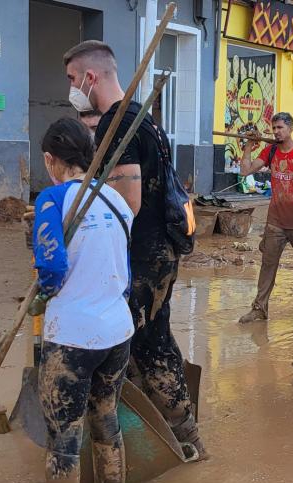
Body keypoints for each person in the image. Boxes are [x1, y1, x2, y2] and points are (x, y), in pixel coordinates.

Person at [63, 40, 205, 460]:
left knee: (144, 345)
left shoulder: (119, 123)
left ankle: (184, 440)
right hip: (160, 252)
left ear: (91, 77)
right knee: (154, 336)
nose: (71, 88)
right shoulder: (144, 119)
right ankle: (178, 436)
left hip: (143, 256)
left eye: (73, 79)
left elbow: (128, 203)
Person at [33, 118, 133, 483]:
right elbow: (124, 270)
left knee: (63, 440)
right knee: (107, 423)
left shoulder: (52, 199)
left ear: (51, 159)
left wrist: (46, 292)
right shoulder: (116, 199)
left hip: (72, 338)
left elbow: (52, 266)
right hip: (117, 333)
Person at [237, 112, 293, 323]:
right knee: (268, 264)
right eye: (274, 128)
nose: (276, 132)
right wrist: (249, 144)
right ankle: (259, 308)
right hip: (275, 220)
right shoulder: (271, 151)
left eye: (280, 128)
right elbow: (245, 171)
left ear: (291, 128)